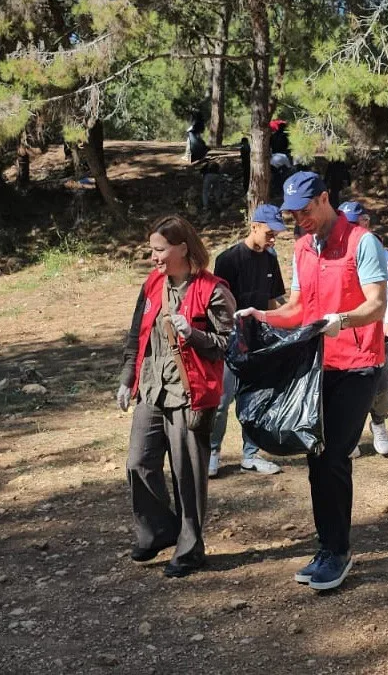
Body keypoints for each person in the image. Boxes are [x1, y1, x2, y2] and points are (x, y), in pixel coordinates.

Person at [236, 172, 388, 591]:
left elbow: (376, 305)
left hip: (357, 364)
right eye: (292, 213)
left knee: (334, 454)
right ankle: (328, 547)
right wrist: (262, 316)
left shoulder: (362, 242)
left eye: (306, 210)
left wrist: (342, 319)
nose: (299, 219)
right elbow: (299, 308)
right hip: (316, 367)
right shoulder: (302, 247)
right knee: (316, 453)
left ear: (325, 198)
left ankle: (337, 552)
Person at [117, 215, 236, 578]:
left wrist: (194, 335)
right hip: (151, 390)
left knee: (187, 474)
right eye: (151, 249)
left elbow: (228, 346)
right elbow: (136, 333)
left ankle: (190, 548)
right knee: (138, 462)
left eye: (159, 250)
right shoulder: (153, 284)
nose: (153, 257)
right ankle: (159, 531)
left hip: (190, 395)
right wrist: (127, 379)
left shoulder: (213, 291)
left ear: (183, 248)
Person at [209, 205, 289, 476]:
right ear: (254, 226)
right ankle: (212, 452)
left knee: (254, 400)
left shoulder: (270, 258)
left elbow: (273, 299)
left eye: (276, 234)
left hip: (258, 339)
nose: (273, 239)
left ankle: (251, 454)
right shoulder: (228, 259)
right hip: (230, 340)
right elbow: (217, 304)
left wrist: (282, 326)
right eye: (269, 233)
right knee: (222, 400)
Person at [338, 200, 388, 457]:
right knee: (347, 389)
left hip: (375, 331)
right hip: (345, 331)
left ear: (366, 221)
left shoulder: (380, 253)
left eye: (357, 222)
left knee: (382, 387)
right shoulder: (334, 254)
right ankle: (350, 435)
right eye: (348, 223)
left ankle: (379, 422)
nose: (353, 229)